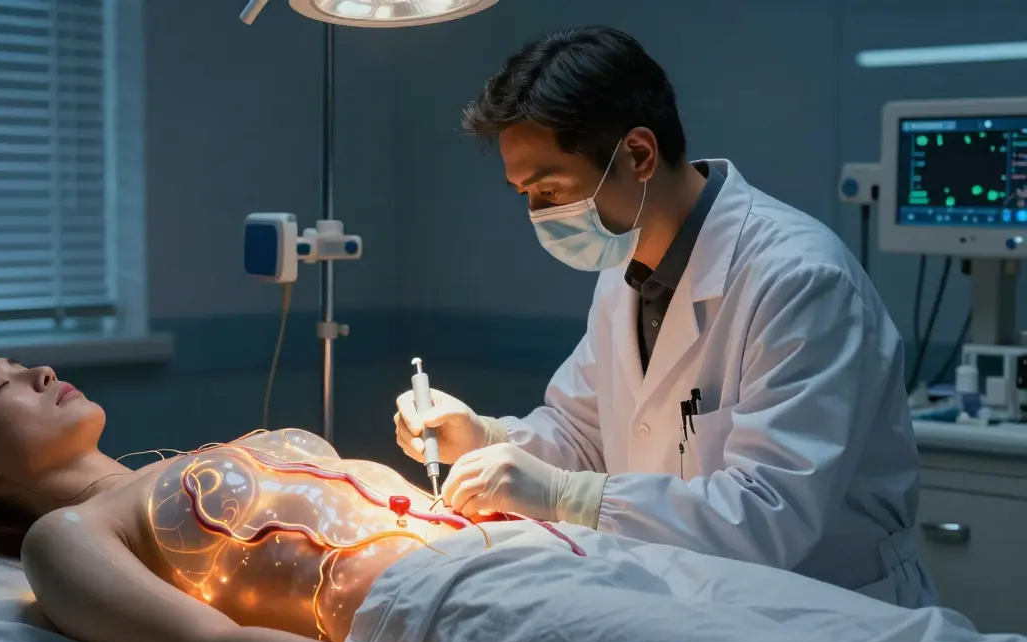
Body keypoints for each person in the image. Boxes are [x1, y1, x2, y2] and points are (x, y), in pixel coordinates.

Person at [0, 349, 1027, 642]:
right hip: (447, 612)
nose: (38, 371)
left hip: (542, 552)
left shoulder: (192, 456)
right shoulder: (69, 540)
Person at [393, 25, 936, 609]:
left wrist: (563, 496)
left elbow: (767, 515)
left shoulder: (799, 280)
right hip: (687, 601)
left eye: (550, 191)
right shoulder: (627, 265)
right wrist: (485, 436)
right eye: (524, 194)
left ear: (638, 154)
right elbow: (585, 432)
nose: (538, 216)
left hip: (829, 611)